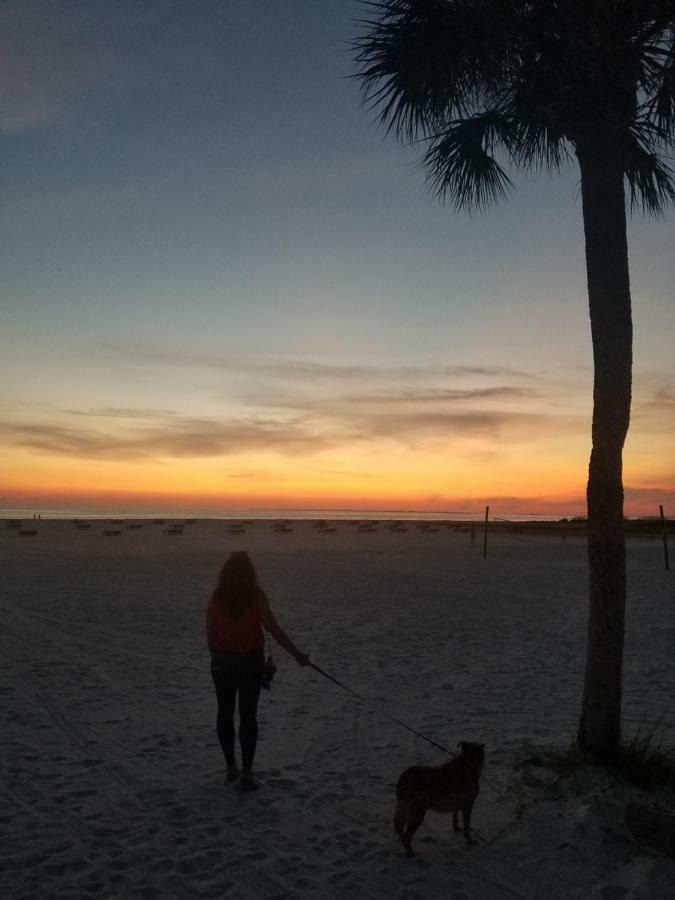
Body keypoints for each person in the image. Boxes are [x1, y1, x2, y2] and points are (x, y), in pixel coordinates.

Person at [206, 551, 309, 791]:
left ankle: (231, 767)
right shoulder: (256, 596)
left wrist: (219, 658)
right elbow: (273, 628)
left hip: (222, 663)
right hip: (250, 662)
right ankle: (247, 773)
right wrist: (295, 653)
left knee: (225, 713)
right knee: (248, 716)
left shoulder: (216, 597)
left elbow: (210, 636)